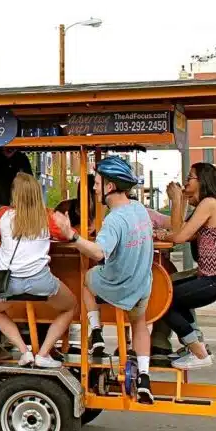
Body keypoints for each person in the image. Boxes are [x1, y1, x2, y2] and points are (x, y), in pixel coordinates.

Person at [53, 155, 155, 404]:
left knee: (88, 278)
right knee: (139, 325)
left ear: (109, 187)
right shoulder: (139, 210)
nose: (95, 187)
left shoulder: (114, 220)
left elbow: (99, 252)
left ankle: (96, 333)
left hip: (118, 285)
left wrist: (72, 237)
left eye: (97, 183)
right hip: (142, 284)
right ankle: (144, 378)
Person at [155, 163, 216, 369]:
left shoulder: (209, 204)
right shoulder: (210, 205)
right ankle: (194, 343)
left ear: (202, 182)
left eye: (189, 178)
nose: (185, 182)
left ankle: (198, 352)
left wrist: (176, 200)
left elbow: (178, 235)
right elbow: (180, 231)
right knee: (171, 288)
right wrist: (180, 203)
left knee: (162, 297)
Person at [0, 173, 77, 368]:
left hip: (9, 282)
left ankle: (24, 351)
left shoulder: (3, 214)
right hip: (40, 280)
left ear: (14, 194)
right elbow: (69, 236)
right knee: (70, 306)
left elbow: (0, 236)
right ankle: (44, 353)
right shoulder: (48, 217)